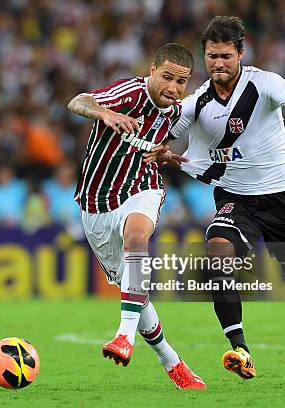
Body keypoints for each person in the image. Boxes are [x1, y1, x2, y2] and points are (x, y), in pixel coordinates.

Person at [145, 17, 285, 380]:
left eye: (225, 55)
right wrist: (160, 151)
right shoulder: (198, 101)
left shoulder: (264, 83)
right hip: (235, 198)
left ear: (240, 52)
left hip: (282, 199)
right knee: (218, 251)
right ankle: (240, 349)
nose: (218, 63)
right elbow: (165, 132)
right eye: (211, 56)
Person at [68, 43, 205, 389]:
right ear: (152, 70)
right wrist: (104, 114)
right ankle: (171, 361)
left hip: (142, 189)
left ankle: (123, 336)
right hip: (95, 205)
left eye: (181, 82)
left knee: (137, 239)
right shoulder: (129, 92)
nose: (173, 88)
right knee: (135, 290)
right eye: (167, 78)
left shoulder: (175, 113)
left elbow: (167, 148)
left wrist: (168, 156)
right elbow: (77, 102)